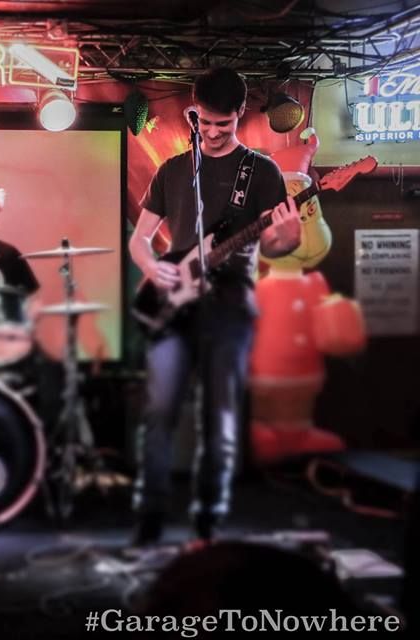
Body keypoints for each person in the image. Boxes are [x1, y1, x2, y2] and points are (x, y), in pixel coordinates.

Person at [128, 67, 301, 545]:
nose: (213, 132)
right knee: (159, 413)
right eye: (205, 122)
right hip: (174, 303)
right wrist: (153, 267)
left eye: (223, 124)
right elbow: (140, 240)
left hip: (229, 307)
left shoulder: (261, 172)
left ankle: (208, 520)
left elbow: (273, 245)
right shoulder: (173, 170)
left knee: (219, 419)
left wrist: (288, 237)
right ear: (194, 113)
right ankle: (150, 519)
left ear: (240, 113)